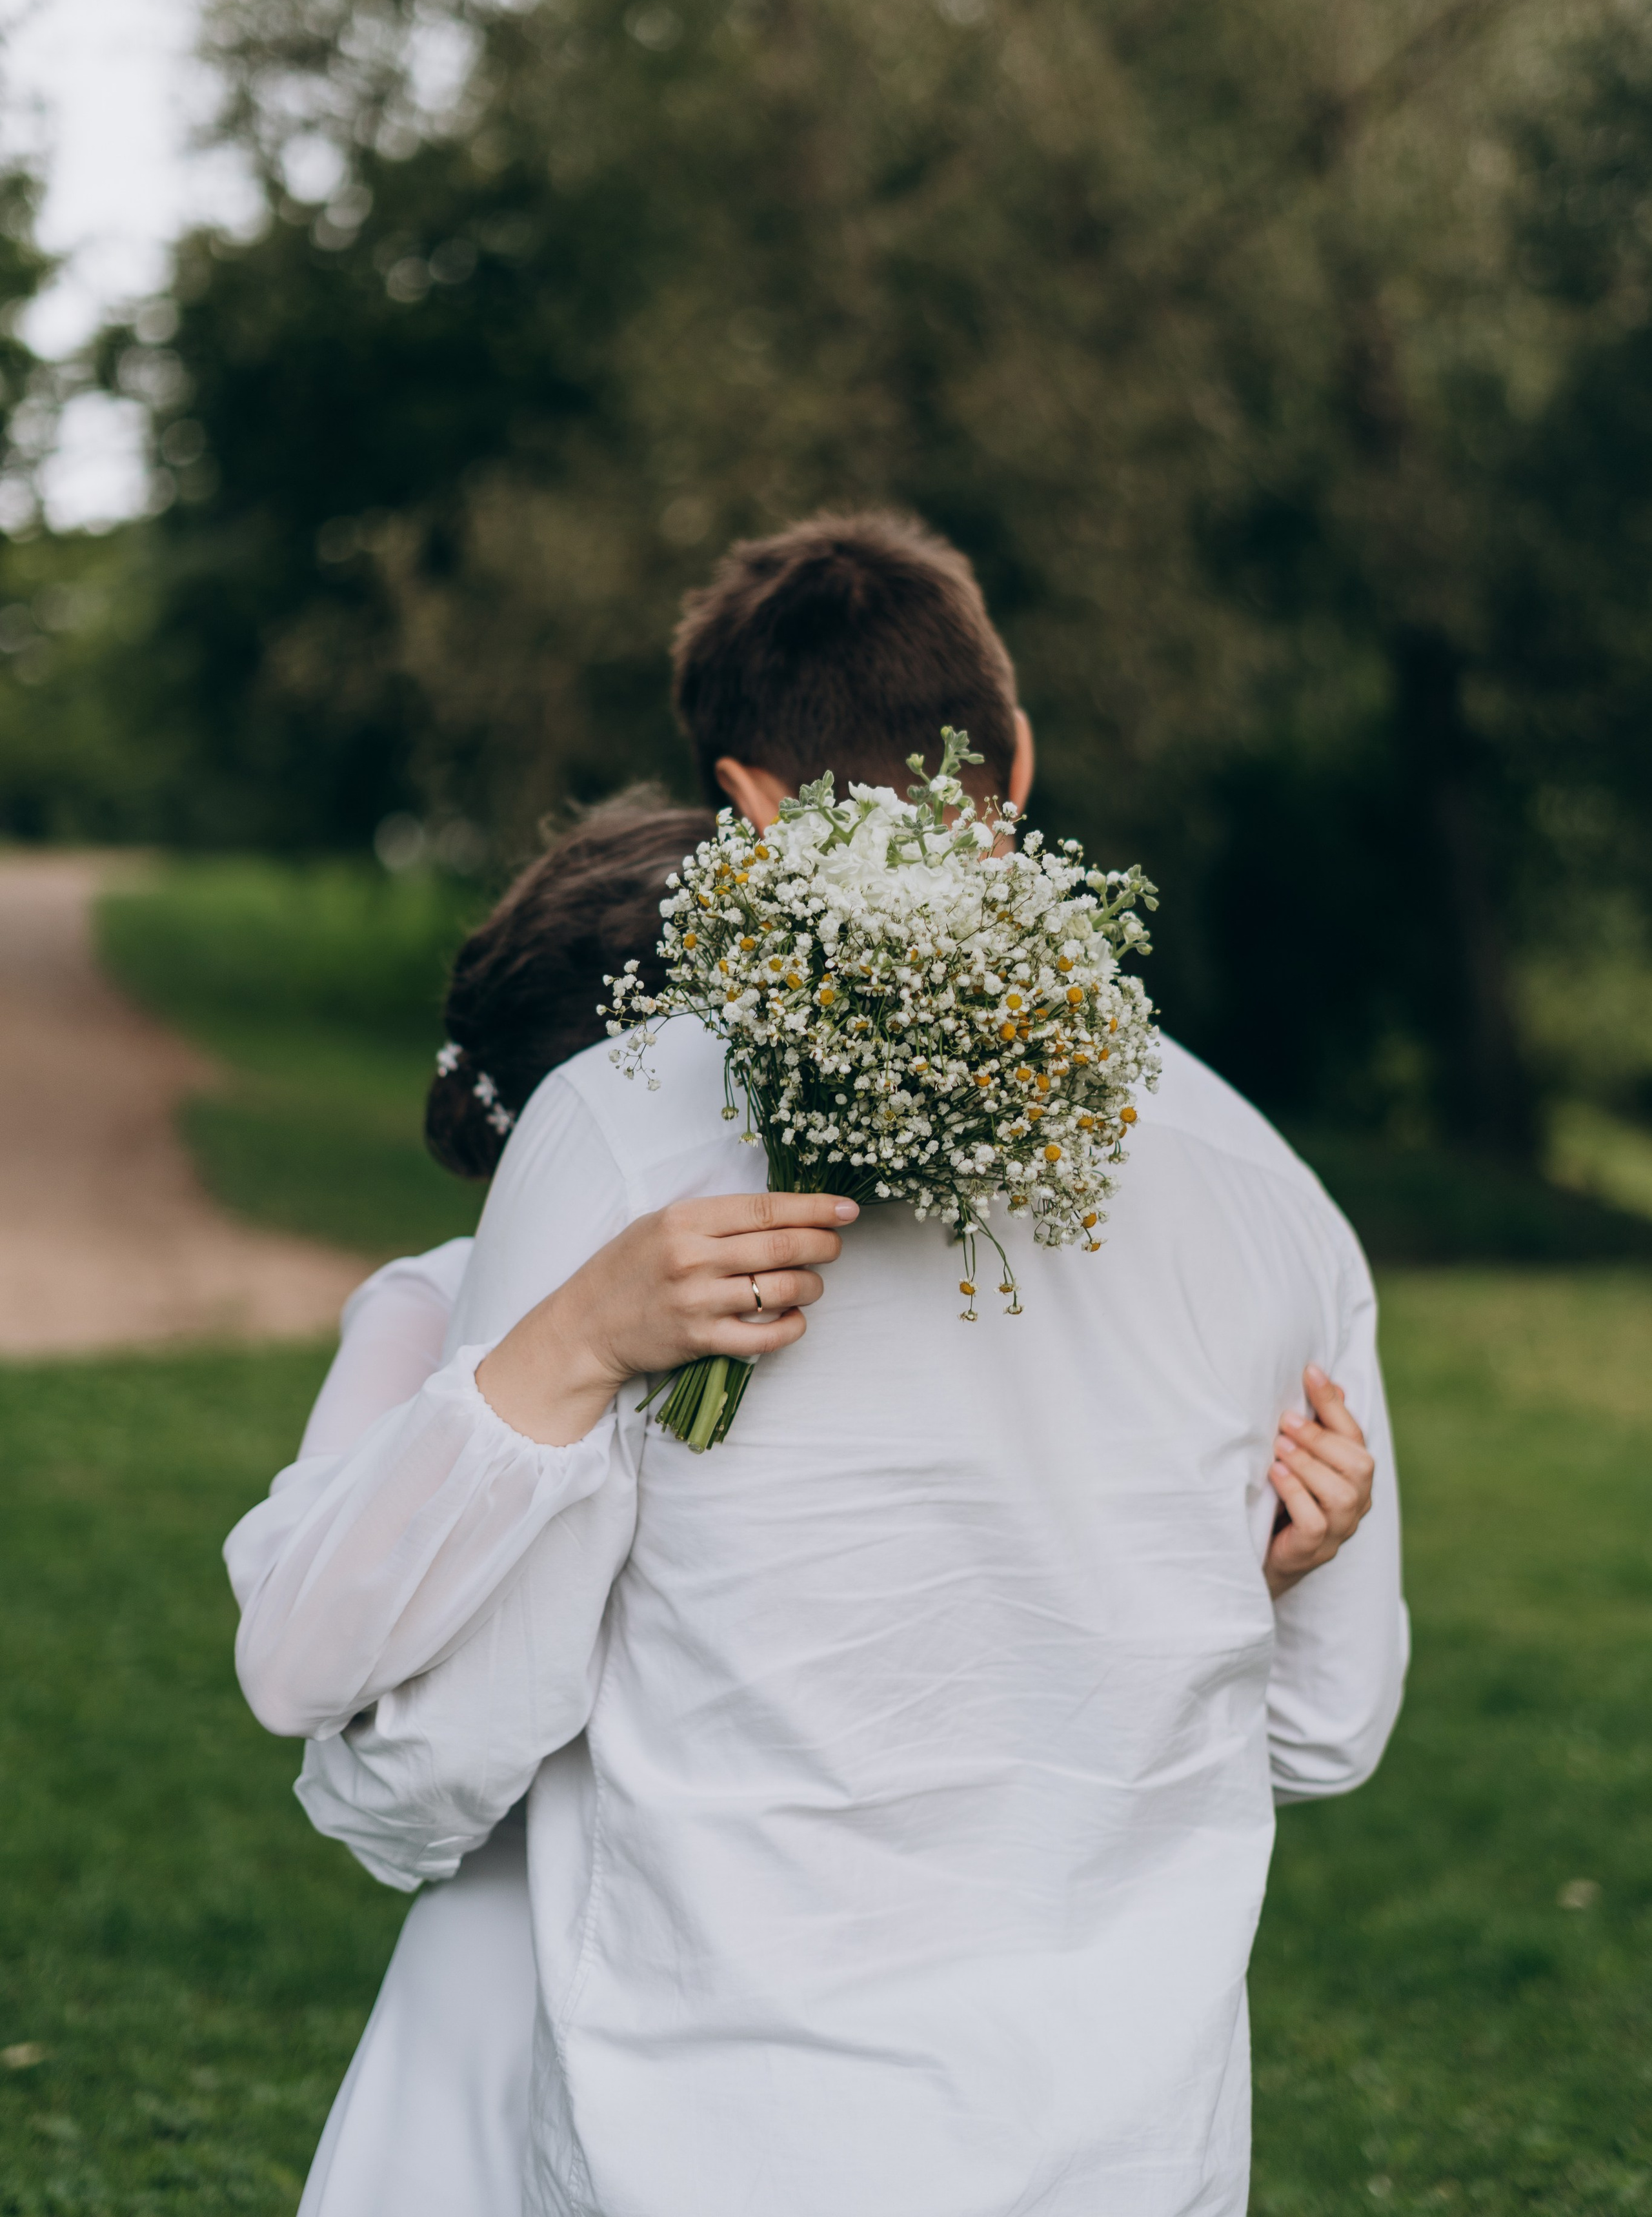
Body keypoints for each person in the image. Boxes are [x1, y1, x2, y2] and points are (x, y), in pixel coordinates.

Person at [236, 512, 1404, 2217]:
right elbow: (1330, 1730)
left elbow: (463, 1731)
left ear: (747, 804)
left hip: (711, 2131)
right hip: (1120, 2144)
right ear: (1015, 759)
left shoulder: (630, 1135)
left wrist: (366, 1794)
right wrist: (1287, 1573)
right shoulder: (1268, 1193)